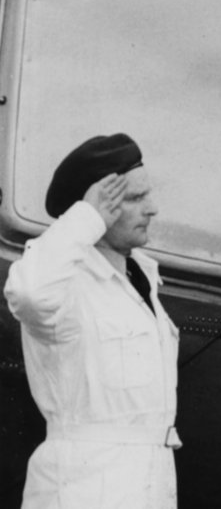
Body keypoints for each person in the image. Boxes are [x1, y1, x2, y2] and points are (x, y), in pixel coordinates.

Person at [5, 133, 181, 508]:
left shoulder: (141, 279)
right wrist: (85, 219)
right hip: (82, 491)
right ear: (95, 210)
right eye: (135, 198)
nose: (153, 209)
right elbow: (29, 294)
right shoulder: (67, 284)